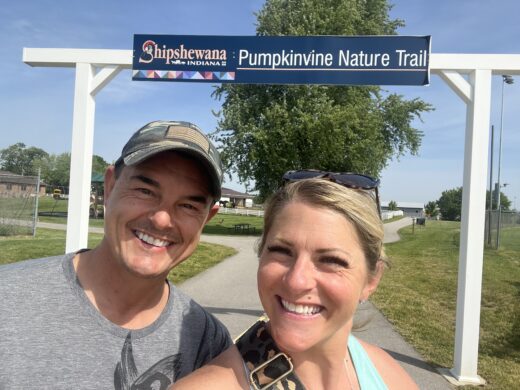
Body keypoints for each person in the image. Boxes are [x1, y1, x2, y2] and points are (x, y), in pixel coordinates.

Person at [0, 121, 234, 389]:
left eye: (189, 205)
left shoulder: (207, 342)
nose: (161, 219)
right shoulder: (8, 300)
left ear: (206, 219)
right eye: (145, 191)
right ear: (109, 186)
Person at [172, 170, 418, 389]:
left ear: (371, 280)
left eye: (331, 260)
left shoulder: (386, 372)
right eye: (281, 251)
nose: (296, 281)